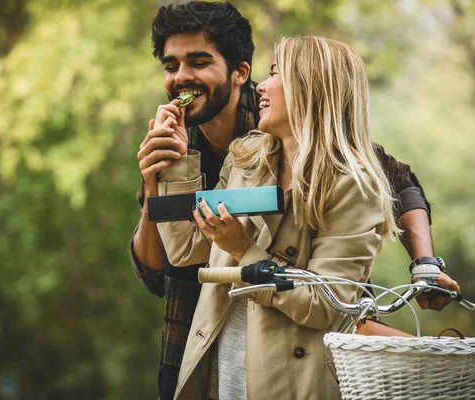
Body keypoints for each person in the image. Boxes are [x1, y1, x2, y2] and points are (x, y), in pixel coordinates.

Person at [131, 2, 459, 398]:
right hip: (212, 354)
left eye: (198, 62)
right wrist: (166, 172)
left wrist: (424, 264)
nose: (182, 77)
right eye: (171, 66)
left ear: (240, 73)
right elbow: (172, 258)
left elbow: (398, 186)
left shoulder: (341, 172)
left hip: (294, 367)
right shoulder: (238, 155)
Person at [156, 34, 401, 400]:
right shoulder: (246, 159)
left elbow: (325, 305)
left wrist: (245, 250)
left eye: (275, 73)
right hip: (219, 371)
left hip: (291, 383)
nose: (262, 86)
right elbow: (185, 249)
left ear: (311, 88)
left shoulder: (354, 187)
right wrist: (177, 156)